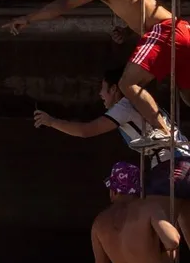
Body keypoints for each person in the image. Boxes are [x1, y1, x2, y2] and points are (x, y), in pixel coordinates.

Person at [3, 0, 190, 147]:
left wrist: (27, 19)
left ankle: (163, 132)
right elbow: (146, 7)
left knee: (127, 84)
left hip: (165, 32)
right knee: (186, 94)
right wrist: (127, 31)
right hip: (183, 29)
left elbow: (64, 5)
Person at [34, 66, 190, 198]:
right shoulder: (141, 103)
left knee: (153, 211)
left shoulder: (124, 106)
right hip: (183, 159)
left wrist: (51, 122)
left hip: (170, 165)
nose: (100, 94)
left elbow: (86, 131)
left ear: (114, 88)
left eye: (102, 88)